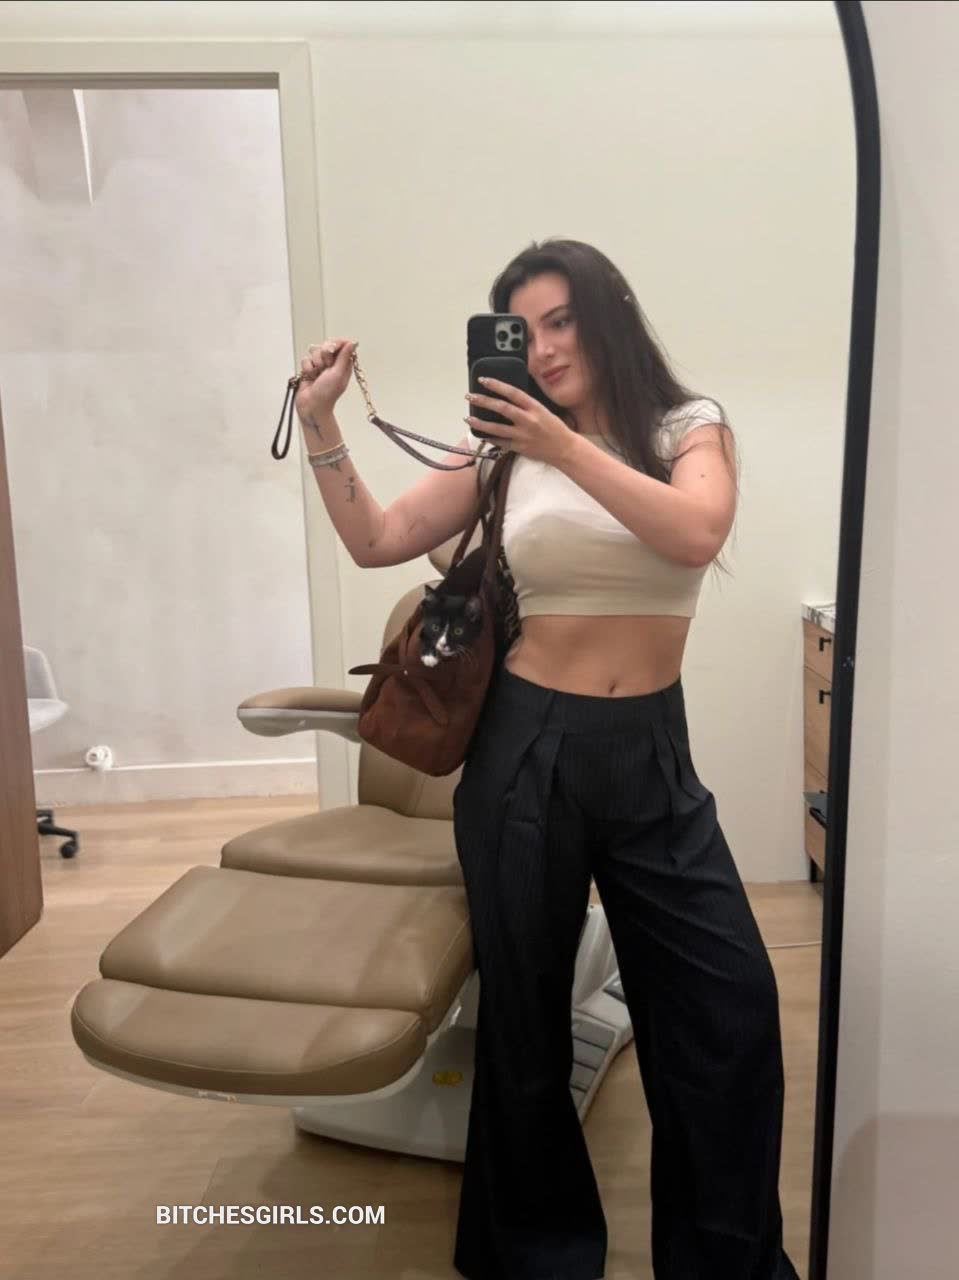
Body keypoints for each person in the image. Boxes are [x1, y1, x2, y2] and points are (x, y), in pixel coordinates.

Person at [293, 238, 801, 1280]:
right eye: (523, 331)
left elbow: (696, 532)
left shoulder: (683, 426)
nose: (546, 347)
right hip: (526, 748)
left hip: (650, 749)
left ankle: (726, 1260)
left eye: (562, 319)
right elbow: (378, 539)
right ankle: (535, 1256)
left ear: (608, 314)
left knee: (728, 1010)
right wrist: (321, 424)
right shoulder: (497, 448)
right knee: (522, 1017)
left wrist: (563, 446)